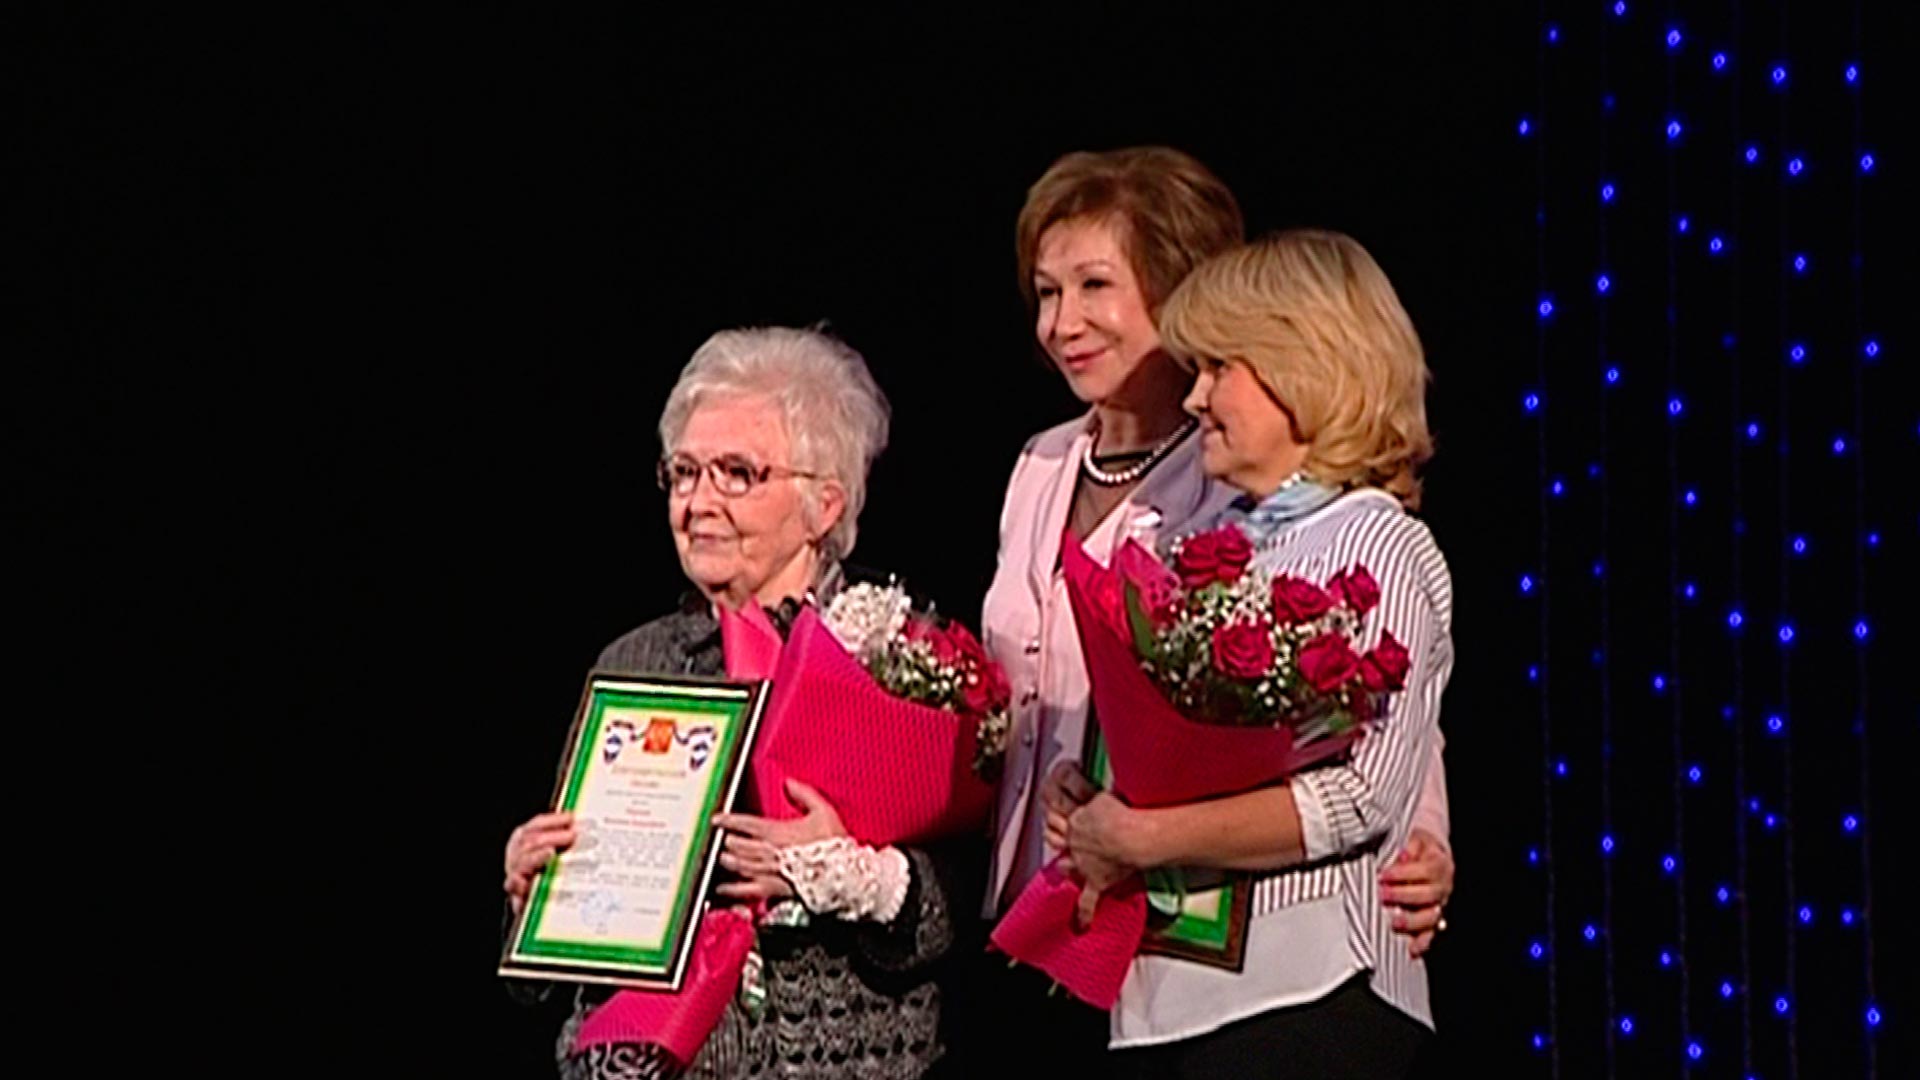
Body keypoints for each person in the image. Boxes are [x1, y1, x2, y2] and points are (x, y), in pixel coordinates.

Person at [977, 148, 1454, 1067]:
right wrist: (1085, 797)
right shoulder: (1051, 470)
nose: (1062, 321)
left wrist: (1424, 831)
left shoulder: (1314, 519)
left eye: (1094, 286)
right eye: (1046, 292)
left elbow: (1381, 740)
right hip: (1121, 957)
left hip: (1296, 977)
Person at [503, 327, 975, 1079]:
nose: (698, 502)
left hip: (840, 1057)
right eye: (684, 473)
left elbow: (961, 905)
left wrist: (848, 872)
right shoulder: (634, 662)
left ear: (825, 504)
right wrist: (534, 889)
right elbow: (542, 978)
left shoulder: (904, 654)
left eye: (736, 473)